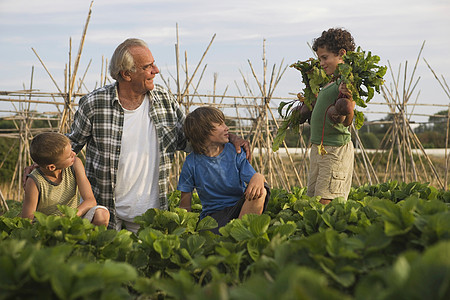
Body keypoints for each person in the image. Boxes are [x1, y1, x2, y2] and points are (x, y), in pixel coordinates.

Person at [57, 38, 249, 232]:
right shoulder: (94, 103)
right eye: (148, 66)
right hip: (106, 211)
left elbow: (191, 140)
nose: (156, 70)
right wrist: (41, 164)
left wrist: (230, 138)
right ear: (126, 74)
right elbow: (71, 145)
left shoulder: (164, 100)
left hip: (151, 215)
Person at [177, 106, 269, 234]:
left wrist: (258, 176)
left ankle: (241, 234)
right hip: (214, 216)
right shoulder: (191, 163)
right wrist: (185, 230)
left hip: (240, 208)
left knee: (261, 191)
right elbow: (185, 204)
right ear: (203, 132)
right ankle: (239, 233)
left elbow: (254, 179)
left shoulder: (235, 152)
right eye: (220, 124)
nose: (227, 127)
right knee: (215, 235)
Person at [307, 28, 356, 205]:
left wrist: (348, 100)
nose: (321, 63)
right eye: (320, 58)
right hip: (319, 148)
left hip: (335, 150)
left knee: (326, 199)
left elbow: (348, 121)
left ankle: (330, 231)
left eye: (325, 57)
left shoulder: (346, 83)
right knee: (313, 196)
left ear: (341, 54)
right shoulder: (330, 82)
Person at [21, 132, 110, 226]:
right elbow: (27, 219)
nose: (74, 154)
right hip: (47, 226)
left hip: (72, 218)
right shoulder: (34, 181)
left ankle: (88, 240)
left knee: (101, 214)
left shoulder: (75, 165)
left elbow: (90, 200)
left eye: (71, 150)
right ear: (51, 167)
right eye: (69, 156)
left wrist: (68, 217)